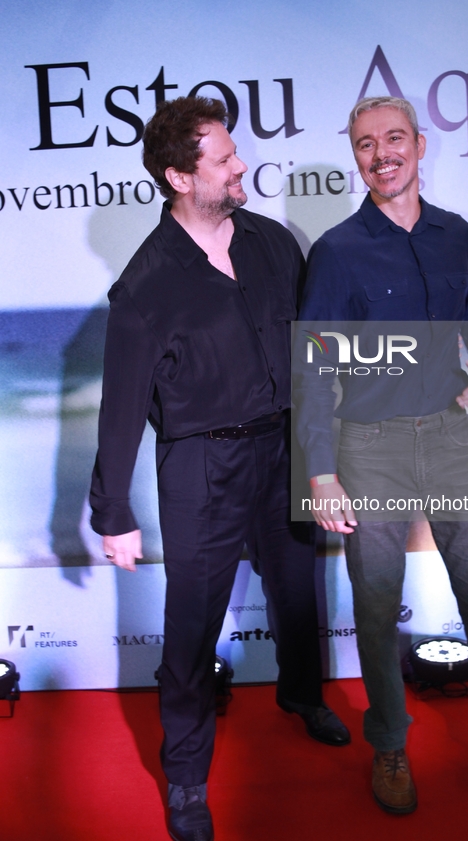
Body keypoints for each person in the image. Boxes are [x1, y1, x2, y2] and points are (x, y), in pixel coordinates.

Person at [89, 96, 349, 841]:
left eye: (236, 153)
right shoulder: (143, 285)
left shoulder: (273, 243)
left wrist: (327, 453)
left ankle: (301, 696)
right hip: (202, 464)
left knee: (297, 590)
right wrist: (114, 513)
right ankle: (184, 776)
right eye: (225, 159)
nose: (242, 167)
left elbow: (312, 352)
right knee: (191, 622)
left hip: (283, 448)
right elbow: (120, 405)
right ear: (178, 175)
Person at [294, 96, 468, 814]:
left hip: (448, 437)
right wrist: (320, 471)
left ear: (420, 144)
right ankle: (390, 747)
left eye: (393, 138)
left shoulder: (455, 234)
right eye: (365, 144)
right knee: (377, 613)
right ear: (356, 157)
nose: (380, 154)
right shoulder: (337, 252)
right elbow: (312, 366)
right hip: (368, 449)